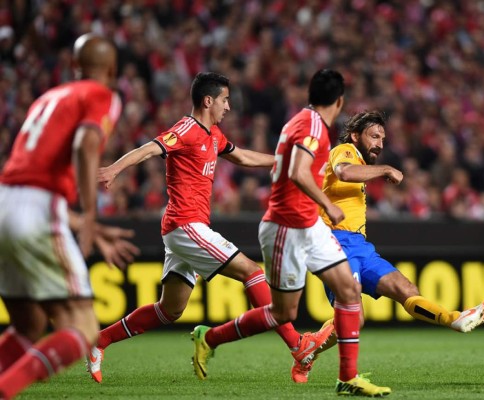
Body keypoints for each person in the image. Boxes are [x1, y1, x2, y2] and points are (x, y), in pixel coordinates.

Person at [87, 72, 332, 383]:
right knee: (251, 272)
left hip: (184, 229)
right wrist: (113, 169)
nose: (228, 107)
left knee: (170, 309)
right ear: (208, 101)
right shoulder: (187, 129)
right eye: (225, 100)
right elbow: (150, 148)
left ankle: (100, 340)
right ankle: (297, 345)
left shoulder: (214, 135)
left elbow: (241, 156)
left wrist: (284, 161)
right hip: (185, 224)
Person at [191, 70, 391, 397]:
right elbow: (299, 173)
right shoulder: (312, 126)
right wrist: (329, 203)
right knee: (282, 313)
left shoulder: (303, 120)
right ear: (339, 101)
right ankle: (209, 338)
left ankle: (348, 377)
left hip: (309, 223)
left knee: (348, 293)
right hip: (287, 224)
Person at [291, 110, 484, 383]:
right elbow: (343, 172)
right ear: (355, 135)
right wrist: (385, 169)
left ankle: (453, 319)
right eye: (374, 136)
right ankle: (311, 351)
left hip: (359, 246)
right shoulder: (345, 150)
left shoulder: (361, 164)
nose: (380, 144)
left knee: (406, 289)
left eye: (382, 139)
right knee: (354, 317)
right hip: (332, 242)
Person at [0, 33, 129, 399]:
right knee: (85, 329)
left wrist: (80, 223)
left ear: (74, 67)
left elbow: (30, 174)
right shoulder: (102, 95)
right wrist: (89, 214)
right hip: (38, 211)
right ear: (112, 69)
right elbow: (87, 145)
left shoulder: (47, 97)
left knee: (30, 323)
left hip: (5, 202)